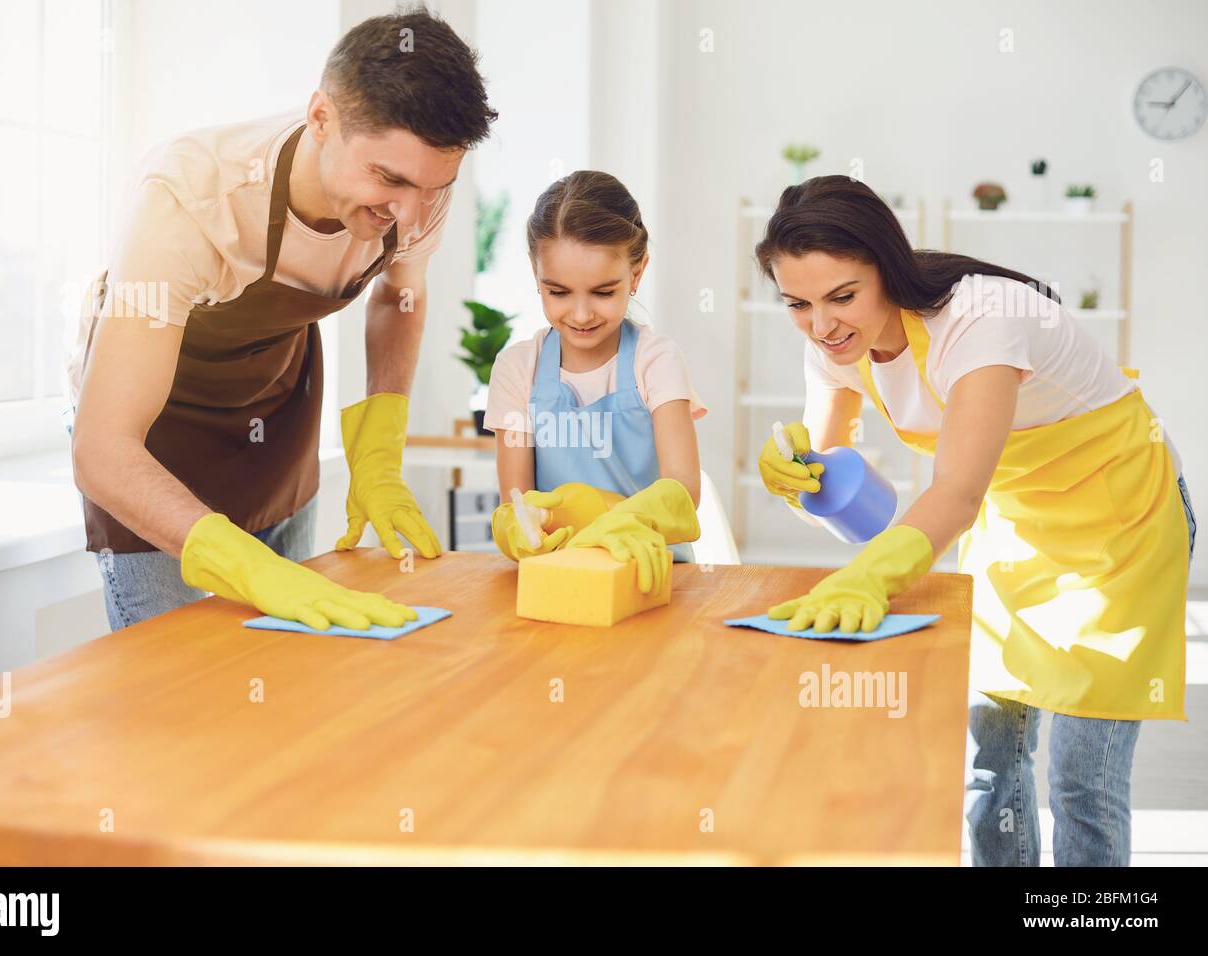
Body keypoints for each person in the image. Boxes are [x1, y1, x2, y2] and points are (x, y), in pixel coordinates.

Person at [755, 175, 1195, 866]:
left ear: (887, 267)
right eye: (797, 304)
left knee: (1080, 777)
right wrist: (798, 475)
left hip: (1118, 526)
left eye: (842, 297)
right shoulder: (832, 347)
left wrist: (871, 576)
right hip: (1015, 522)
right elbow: (831, 464)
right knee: (988, 760)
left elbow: (955, 493)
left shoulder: (980, 320)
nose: (821, 325)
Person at [66, 7, 496, 632]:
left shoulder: (418, 191)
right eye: (388, 179)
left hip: (277, 411)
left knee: (291, 664)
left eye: (434, 188)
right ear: (321, 117)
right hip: (151, 432)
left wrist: (379, 448)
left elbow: (399, 297)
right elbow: (102, 448)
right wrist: (248, 569)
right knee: (172, 686)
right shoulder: (190, 196)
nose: (411, 217)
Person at [484, 171, 707, 593]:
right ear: (535, 272)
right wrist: (515, 528)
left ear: (637, 272)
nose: (581, 314)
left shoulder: (655, 361)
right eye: (559, 292)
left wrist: (620, 520)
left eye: (603, 293)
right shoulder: (518, 368)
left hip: (651, 572)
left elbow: (683, 490)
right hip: (560, 577)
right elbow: (516, 501)